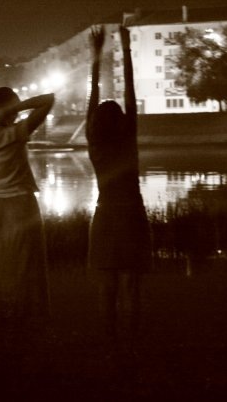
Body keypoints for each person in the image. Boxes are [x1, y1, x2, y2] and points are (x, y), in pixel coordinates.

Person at [0, 87, 54, 372]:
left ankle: (2, 336)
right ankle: (27, 339)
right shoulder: (16, 133)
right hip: (21, 207)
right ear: (9, 109)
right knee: (26, 270)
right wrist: (14, 108)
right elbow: (48, 100)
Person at [86, 25, 152, 344]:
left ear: (95, 124)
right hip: (131, 215)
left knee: (107, 285)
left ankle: (109, 341)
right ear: (123, 120)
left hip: (105, 214)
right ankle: (132, 342)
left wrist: (96, 56)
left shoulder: (95, 143)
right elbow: (131, 92)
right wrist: (125, 49)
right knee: (131, 284)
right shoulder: (128, 138)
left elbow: (92, 99)